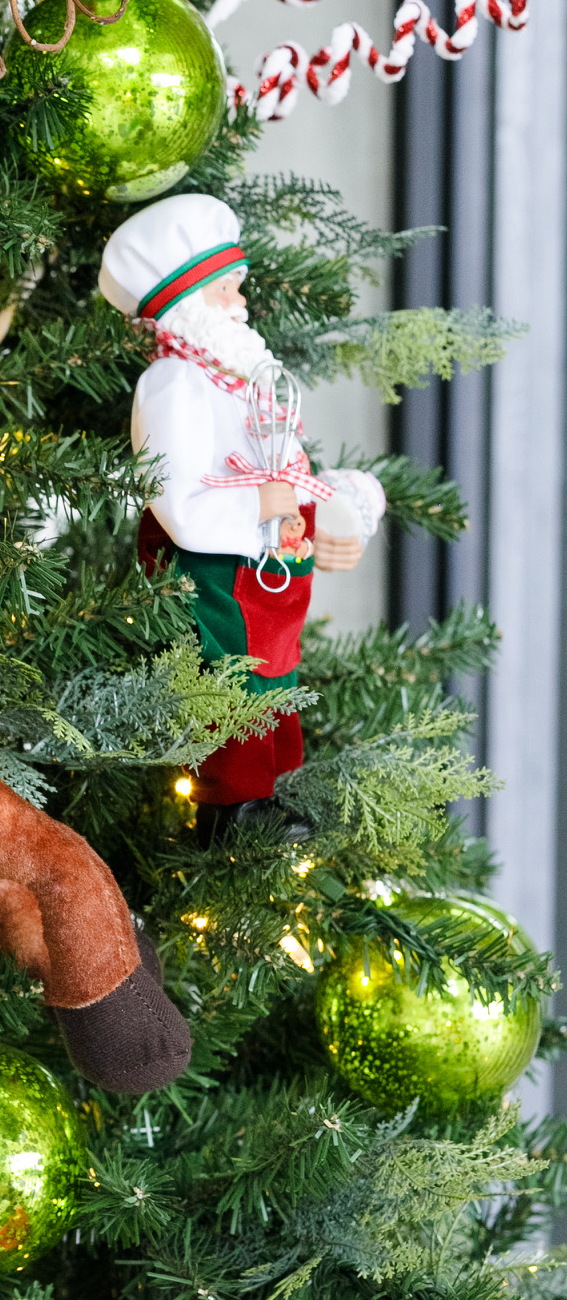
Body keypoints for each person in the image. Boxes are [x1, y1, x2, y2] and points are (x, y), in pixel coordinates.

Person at [99, 192, 384, 844]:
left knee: (275, 678)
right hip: (216, 573)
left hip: (266, 573)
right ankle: (233, 809)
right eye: (229, 289)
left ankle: (278, 790)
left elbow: (289, 472)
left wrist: (344, 505)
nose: (243, 304)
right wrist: (261, 505)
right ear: (192, 301)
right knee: (233, 686)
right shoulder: (173, 384)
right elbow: (175, 501)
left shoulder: (242, 382)